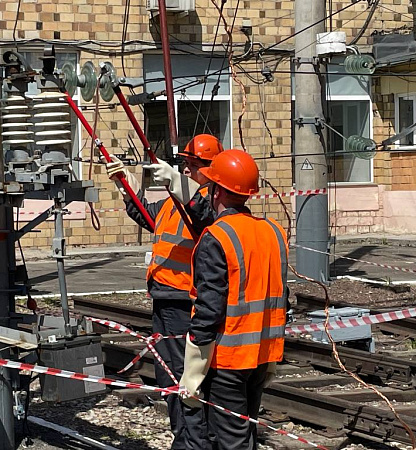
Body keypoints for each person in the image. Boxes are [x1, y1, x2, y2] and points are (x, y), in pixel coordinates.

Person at [106, 134, 224, 450]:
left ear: (210, 169)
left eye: (192, 165)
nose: (185, 169)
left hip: (185, 302)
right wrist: (126, 184)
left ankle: (192, 442)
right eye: (183, 164)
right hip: (165, 299)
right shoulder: (174, 202)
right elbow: (145, 214)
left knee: (183, 378)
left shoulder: (210, 201)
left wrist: (175, 181)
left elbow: (202, 214)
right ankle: (187, 438)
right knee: (170, 376)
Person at [178, 149, 288, 450]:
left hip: (229, 360)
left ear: (217, 191)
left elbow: (209, 308)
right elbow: (282, 297)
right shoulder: (273, 232)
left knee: (231, 440)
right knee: (245, 432)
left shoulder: (217, 237)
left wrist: (193, 369)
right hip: (263, 354)